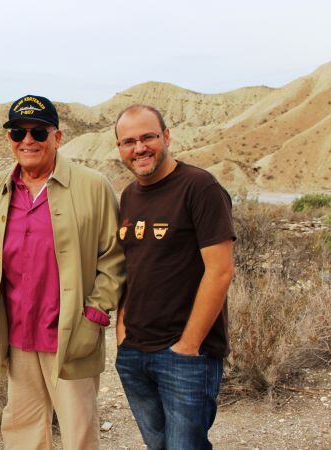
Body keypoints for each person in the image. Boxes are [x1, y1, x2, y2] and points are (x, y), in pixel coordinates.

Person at [0, 95, 125, 449]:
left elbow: (114, 258)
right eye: (18, 133)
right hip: (17, 334)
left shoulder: (92, 185)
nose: (28, 141)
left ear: (57, 137)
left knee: (78, 432)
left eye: (38, 132)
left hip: (70, 334)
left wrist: (95, 313)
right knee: (22, 429)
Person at [113, 104, 236, 450]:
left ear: (166, 137)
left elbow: (221, 269)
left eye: (148, 137)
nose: (139, 148)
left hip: (184, 355)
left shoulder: (200, 186)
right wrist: (122, 329)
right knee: (158, 446)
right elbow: (131, 266)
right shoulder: (129, 196)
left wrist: (188, 345)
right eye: (129, 141)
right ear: (120, 149)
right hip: (134, 351)